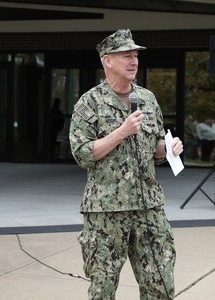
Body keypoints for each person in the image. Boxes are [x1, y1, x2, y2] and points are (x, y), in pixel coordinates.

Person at [69, 29, 183, 300]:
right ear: (107, 61)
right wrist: (121, 132)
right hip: (106, 210)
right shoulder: (89, 103)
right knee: (103, 290)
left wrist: (168, 149)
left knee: (161, 286)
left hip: (148, 207)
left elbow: (153, 145)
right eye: (126, 56)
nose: (134, 62)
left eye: (135, 56)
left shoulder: (147, 99)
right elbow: (82, 153)